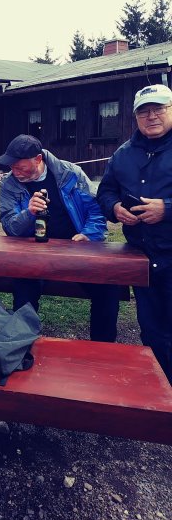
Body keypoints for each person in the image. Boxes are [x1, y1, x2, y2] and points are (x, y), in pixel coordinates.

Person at [0, 134, 120, 343]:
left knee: (107, 287)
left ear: (38, 159)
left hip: (76, 250)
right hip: (32, 254)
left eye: (20, 167)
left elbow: (96, 209)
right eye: (12, 167)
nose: (14, 172)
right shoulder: (9, 183)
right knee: (24, 291)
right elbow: (10, 227)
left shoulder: (70, 173)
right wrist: (29, 213)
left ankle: (103, 348)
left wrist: (89, 235)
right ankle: (21, 347)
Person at [97, 84, 172, 384]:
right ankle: (161, 394)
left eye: (159, 109)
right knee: (152, 332)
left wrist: (167, 209)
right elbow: (105, 192)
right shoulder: (123, 154)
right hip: (143, 260)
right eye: (144, 111)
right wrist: (115, 208)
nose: (151, 116)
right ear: (135, 117)